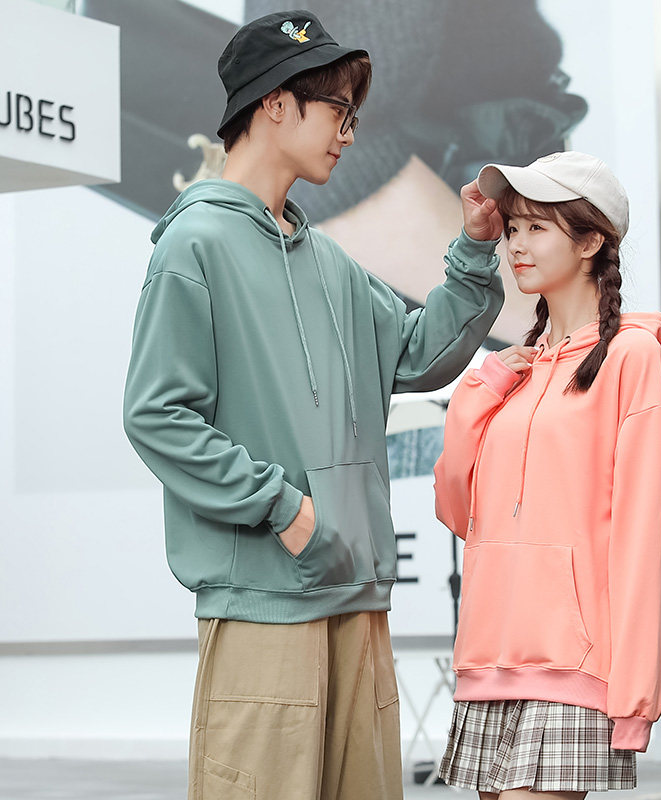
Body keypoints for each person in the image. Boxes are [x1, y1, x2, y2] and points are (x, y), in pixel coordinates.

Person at [122, 10, 504, 800]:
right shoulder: (194, 246)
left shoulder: (329, 259)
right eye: (338, 111)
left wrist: (472, 251)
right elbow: (157, 414)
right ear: (274, 104)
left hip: (356, 601)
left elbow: (417, 354)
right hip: (266, 604)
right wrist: (283, 508)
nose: (350, 135)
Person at [433, 151, 661, 798]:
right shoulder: (516, 371)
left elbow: (645, 538)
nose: (516, 244)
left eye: (537, 228)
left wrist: (636, 694)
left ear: (591, 240)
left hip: (574, 667)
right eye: (513, 228)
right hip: (490, 660)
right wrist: (480, 391)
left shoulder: (631, 358)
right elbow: (458, 511)